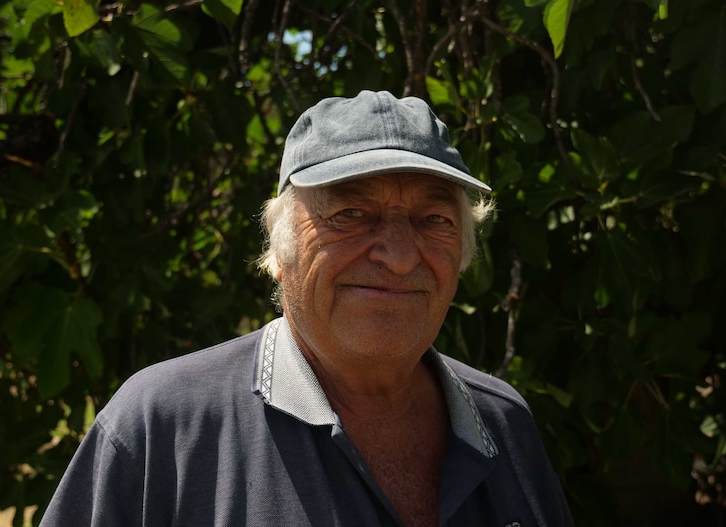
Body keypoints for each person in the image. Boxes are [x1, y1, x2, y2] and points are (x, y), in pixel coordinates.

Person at [40, 90, 573, 526]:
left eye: (433, 220)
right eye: (350, 213)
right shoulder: (163, 427)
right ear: (280, 249)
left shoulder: (502, 421)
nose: (400, 255)